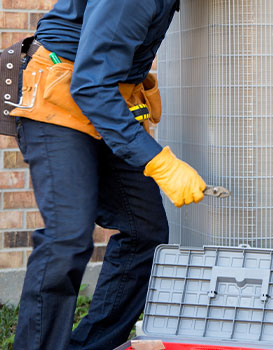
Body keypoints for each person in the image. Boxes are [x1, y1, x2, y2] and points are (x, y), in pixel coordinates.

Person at [8, 1, 207, 349]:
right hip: (62, 96)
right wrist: (158, 161)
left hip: (108, 99)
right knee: (68, 236)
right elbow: (90, 85)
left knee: (145, 230)